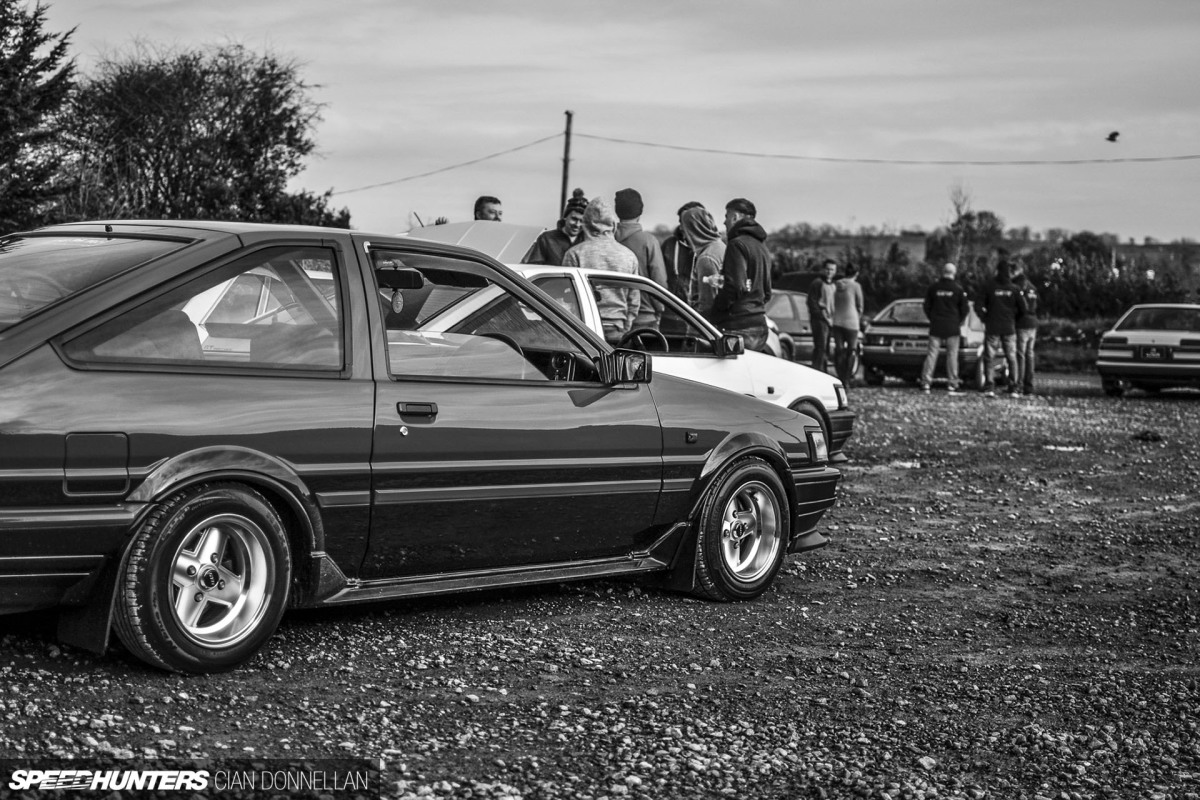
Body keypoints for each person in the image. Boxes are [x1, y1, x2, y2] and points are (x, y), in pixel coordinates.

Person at [562, 198, 640, 345]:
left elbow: (566, 297)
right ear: (613, 225)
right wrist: (626, 326)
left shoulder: (575, 253)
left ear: (585, 224)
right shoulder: (628, 256)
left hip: (583, 329)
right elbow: (634, 298)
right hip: (618, 328)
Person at [711, 198, 772, 353]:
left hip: (738, 326)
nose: (724, 222)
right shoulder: (762, 246)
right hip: (760, 325)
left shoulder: (737, 244)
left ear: (735, 217)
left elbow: (735, 286)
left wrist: (717, 310)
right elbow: (767, 291)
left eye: (726, 216)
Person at [613, 188, 668, 330]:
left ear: (617, 210)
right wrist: (660, 309)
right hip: (645, 318)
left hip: (614, 317)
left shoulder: (610, 240)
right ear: (640, 210)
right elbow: (659, 280)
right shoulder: (649, 241)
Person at [977, 259, 1025, 397]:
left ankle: (990, 387)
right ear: (1009, 272)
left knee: (989, 357)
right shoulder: (1014, 288)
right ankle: (1014, 387)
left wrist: (985, 318)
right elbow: (1024, 309)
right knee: (1011, 357)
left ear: (997, 271)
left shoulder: (989, 286)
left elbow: (978, 305)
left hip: (992, 326)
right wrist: (1014, 320)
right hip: (1009, 327)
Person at [920, 261, 970, 394]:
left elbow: (926, 306)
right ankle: (952, 383)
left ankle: (926, 383)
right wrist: (957, 321)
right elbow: (965, 309)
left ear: (942, 272)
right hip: (952, 327)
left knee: (931, 354)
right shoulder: (958, 289)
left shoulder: (933, 288)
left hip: (936, 325)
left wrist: (933, 318)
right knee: (952, 355)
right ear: (954, 273)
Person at [680, 205, 725, 321]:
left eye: (685, 230)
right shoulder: (720, 247)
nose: (684, 236)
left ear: (695, 230)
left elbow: (707, 303)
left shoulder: (707, 258)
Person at [522, 188, 588, 265]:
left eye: (582, 221)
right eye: (574, 219)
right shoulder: (547, 239)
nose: (577, 224)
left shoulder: (587, 241)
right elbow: (533, 266)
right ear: (565, 217)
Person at [662, 201, 704, 299]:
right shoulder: (669, 245)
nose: (681, 227)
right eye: (680, 222)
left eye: (685, 222)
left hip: (700, 311)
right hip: (672, 309)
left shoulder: (711, 249)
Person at [831, 263, 864, 387]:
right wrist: (857, 318)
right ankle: (847, 379)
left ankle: (839, 376)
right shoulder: (856, 286)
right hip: (852, 323)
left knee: (839, 350)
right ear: (856, 273)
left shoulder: (836, 285)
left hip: (837, 321)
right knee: (851, 350)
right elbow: (860, 306)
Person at [1012, 261, 1040, 395]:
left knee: (1020, 355)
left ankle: (1019, 385)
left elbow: (1016, 307)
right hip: (1033, 324)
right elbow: (1037, 304)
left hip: (1022, 323)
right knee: (1029, 355)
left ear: (1015, 272)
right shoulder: (1033, 287)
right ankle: (1029, 386)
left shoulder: (1016, 286)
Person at [806, 260, 838, 372]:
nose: (829, 272)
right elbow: (811, 302)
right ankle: (817, 371)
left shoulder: (833, 285)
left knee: (826, 348)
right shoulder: (817, 283)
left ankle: (823, 371)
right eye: (827, 269)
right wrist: (820, 315)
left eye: (832, 269)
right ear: (823, 269)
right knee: (821, 347)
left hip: (830, 320)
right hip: (819, 320)